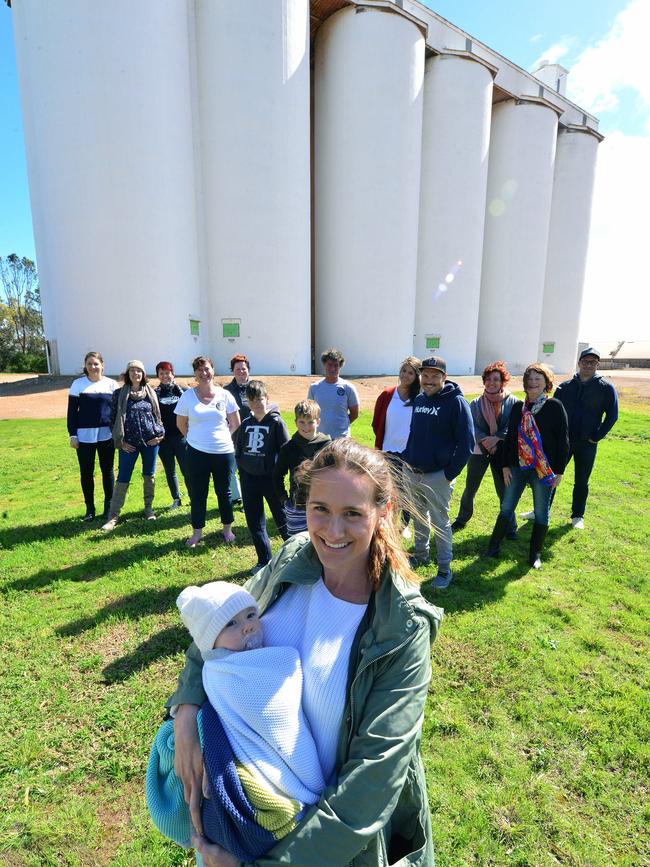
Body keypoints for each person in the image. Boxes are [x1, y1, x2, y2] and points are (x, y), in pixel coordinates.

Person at [167, 438, 442, 867]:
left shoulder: (401, 627)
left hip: (318, 850)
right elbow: (218, 626)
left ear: (383, 512)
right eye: (321, 510)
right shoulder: (296, 555)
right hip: (241, 817)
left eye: (353, 514)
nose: (332, 532)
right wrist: (185, 713)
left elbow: (369, 787)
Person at [147, 581, 326, 861]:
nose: (248, 627)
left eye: (251, 616)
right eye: (231, 623)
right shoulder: (220, 672)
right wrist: (187, 716)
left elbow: (279, 714)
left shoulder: (268, 659)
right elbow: (204, 656)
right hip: (239, 775)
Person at [485, 362, 569, 569]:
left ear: (546, 384)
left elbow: (563, 441)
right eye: (529, 379)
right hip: (517, 467)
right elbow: (510, 437)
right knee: (506, 507)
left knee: (541, 512)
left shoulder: (554, 407)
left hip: (543, 470)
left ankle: (535, 554)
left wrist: (559, 472)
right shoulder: (517, 408)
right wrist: (505, 466)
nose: (532, 383)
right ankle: (493, 547)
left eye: (537, 379)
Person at [402, 356, 474, 590]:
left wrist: (449, 473)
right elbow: (415, 433)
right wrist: (407, 459)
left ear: (444, 377)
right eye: (425, 375)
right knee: (418, 517)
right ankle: (421, 555)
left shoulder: (456, 402)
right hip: (412, 471)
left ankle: (444, 569)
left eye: (435, 376)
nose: (429, 380)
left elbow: (467, 443)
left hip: (438, 475)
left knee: (440, 524)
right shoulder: (420, 398)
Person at [175, 356, 241, 548]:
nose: (204, 373)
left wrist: (221, 437)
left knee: (225, 492)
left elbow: (235, 422)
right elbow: (180, 423)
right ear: (195, 374)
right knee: (198, 493)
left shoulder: (225, 395)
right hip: (196, 453)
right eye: (199, 370)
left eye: (207, 369)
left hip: (224, 452)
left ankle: (227, 529)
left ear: (213, 369)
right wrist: (195, 438)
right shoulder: (187, 396)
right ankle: (197, 533)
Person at [551, 347, 618, 530]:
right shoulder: (565, 387)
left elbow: (612, 416)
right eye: (586, 361)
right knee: (551, 476)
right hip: (563, 442)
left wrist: (596, 437)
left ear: (598, 364)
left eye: (593, 362)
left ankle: (577, 515)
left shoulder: (605, 388)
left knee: (582, 481)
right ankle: (541, 509)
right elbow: (553, 412)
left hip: (587, 444)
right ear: (579, 363)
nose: (589, 365)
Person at [451, 361, 518, 537]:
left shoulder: (514, 402)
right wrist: (487, 441)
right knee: (470, 488)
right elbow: (471, 426)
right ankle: (462, 518)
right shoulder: (475, 403)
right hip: (478, 451)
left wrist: (497, 439)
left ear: (503, 381)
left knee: (504, 490)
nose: (491, 382)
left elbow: (513, 426)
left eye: (496, 379)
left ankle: (510, 527)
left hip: (502, 454)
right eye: (488, 379)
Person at [102, 360, 165, 531]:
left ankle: (148, 508)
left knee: (149, 475)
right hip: (128, 444)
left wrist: (159, 436)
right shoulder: (119, 393)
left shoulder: (151, 392)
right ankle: (113, 516)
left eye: (139, 371)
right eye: (132, 371)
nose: (135, 373)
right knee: (123, 477)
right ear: (128, 374)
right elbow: (113, 419)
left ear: (143, 374)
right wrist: (121, 442)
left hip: (150, 443)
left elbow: (158, 417)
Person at [236, 380, 289, 574]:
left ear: (267, 399)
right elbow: (239, 450)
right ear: (247, 403)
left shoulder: (276, 423)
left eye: (260, 399)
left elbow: (286, 452)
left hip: (271, 480)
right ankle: (264, 560)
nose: (257, 403)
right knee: (254, 520)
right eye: (252, 400)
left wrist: (279, 475)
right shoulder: (245, 424)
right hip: (249, 480)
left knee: (282, 518)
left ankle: (295, 555)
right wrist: (244, 469)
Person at [371, 355, 421, 539]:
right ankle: (386, 521)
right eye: (403, 371)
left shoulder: (420, 398)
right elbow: (377, 422)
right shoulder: (387, 395)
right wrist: (380, 444)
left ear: (417, 376)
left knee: (406, 490)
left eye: (411, 372)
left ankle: (404, 524)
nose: (406, 375)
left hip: (409, 452)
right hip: (387, 450)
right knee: (387, 489)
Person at [66, 351, 118, 522]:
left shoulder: (112, 385)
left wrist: (118, 433)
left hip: (107, 435)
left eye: (96, 364)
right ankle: (89, 508)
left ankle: (108, 507)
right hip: (84, 436)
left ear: (102, 365)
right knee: (86, 472)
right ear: (85, 366)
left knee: (107, 470)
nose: (93, 367)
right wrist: (73, 434)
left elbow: (118, 412)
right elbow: (72, 413)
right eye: (89, 364)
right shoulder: (78, 384)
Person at [272, 399, 331, 536]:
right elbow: (277, 476)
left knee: (323, 541)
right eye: (302, 422)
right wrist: (284, 499)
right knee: (298, 543)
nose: (306, 427)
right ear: (295, 422)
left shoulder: (328, 446)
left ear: (318, 422)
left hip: (325, 505)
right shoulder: (288, 448)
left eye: (311, 422)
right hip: (297, 506)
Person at [155, 361, 190, 509]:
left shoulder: (182, 391)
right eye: (161, 373)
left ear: (172, 374)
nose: (165, 376)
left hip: (181, 437)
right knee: (170, 470)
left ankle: (194, 496)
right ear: (158, 375)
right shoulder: (155, 393)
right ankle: (176, 498)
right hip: (164, 439)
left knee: (186, 469)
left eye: (167, 373)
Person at [307, 348, 359, 439]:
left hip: (342, 440)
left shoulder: (348, 387)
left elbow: (355, 414)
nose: (333, 368)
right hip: (320, 438)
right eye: (330, 365)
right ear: (324, 365)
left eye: (336, 365)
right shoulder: (314, 387)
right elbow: (310, 413)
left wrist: (341, 426)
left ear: (340, 366)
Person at [223, 354, 253, 504]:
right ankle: (237, 496)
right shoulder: (226, 390)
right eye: (237, 369)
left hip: (253, 435)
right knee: (231, 468)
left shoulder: (256, 388)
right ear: (232, 371)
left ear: (248, 370)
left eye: (244, 369)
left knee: (248, 470)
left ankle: (249, 498)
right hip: (233, 436)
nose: (241, 372)